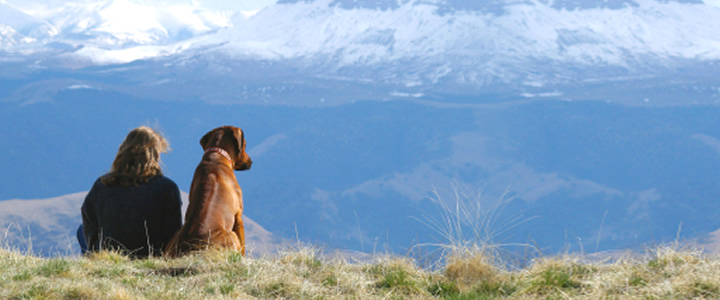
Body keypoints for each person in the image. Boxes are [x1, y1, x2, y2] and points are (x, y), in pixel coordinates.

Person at [78, 126, 182, 258]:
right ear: (155, 155)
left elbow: (89, 219)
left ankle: (94, 258)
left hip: (109, 255)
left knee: (81, 230)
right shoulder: (167, 188)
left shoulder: (103, 185)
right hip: (150, 255)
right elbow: (174, 232)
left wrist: (96, 251)